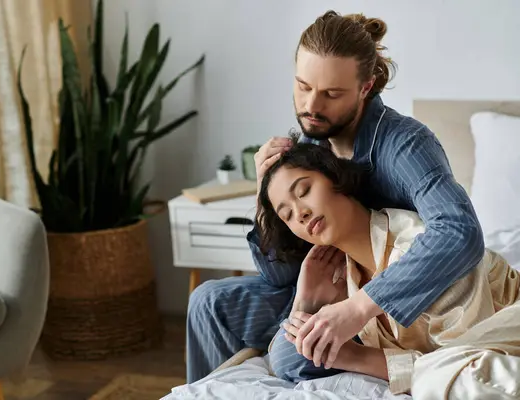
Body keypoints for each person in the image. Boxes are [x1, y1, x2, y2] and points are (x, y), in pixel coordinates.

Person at [185, 10, 484, 383]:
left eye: (331, 93)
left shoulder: (406, 145)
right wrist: (267, 197)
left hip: (386, 306)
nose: (311, 105)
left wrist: (357, 307)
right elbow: (277, 275)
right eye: (303, 86)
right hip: (320, 287)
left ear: (366, 87)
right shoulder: (312, 139)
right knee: (208, 301)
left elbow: (459, 231)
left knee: (288, 355)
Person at [258, 141, 520, 398]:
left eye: (304, 190)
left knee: (450, 374)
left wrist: (356, 357)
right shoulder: (338, 278)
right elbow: (285, 361)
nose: (299, 213)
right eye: (287, 216)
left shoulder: (421, 250)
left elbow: (459, 362)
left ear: (336, 178)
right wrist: (304, 302)